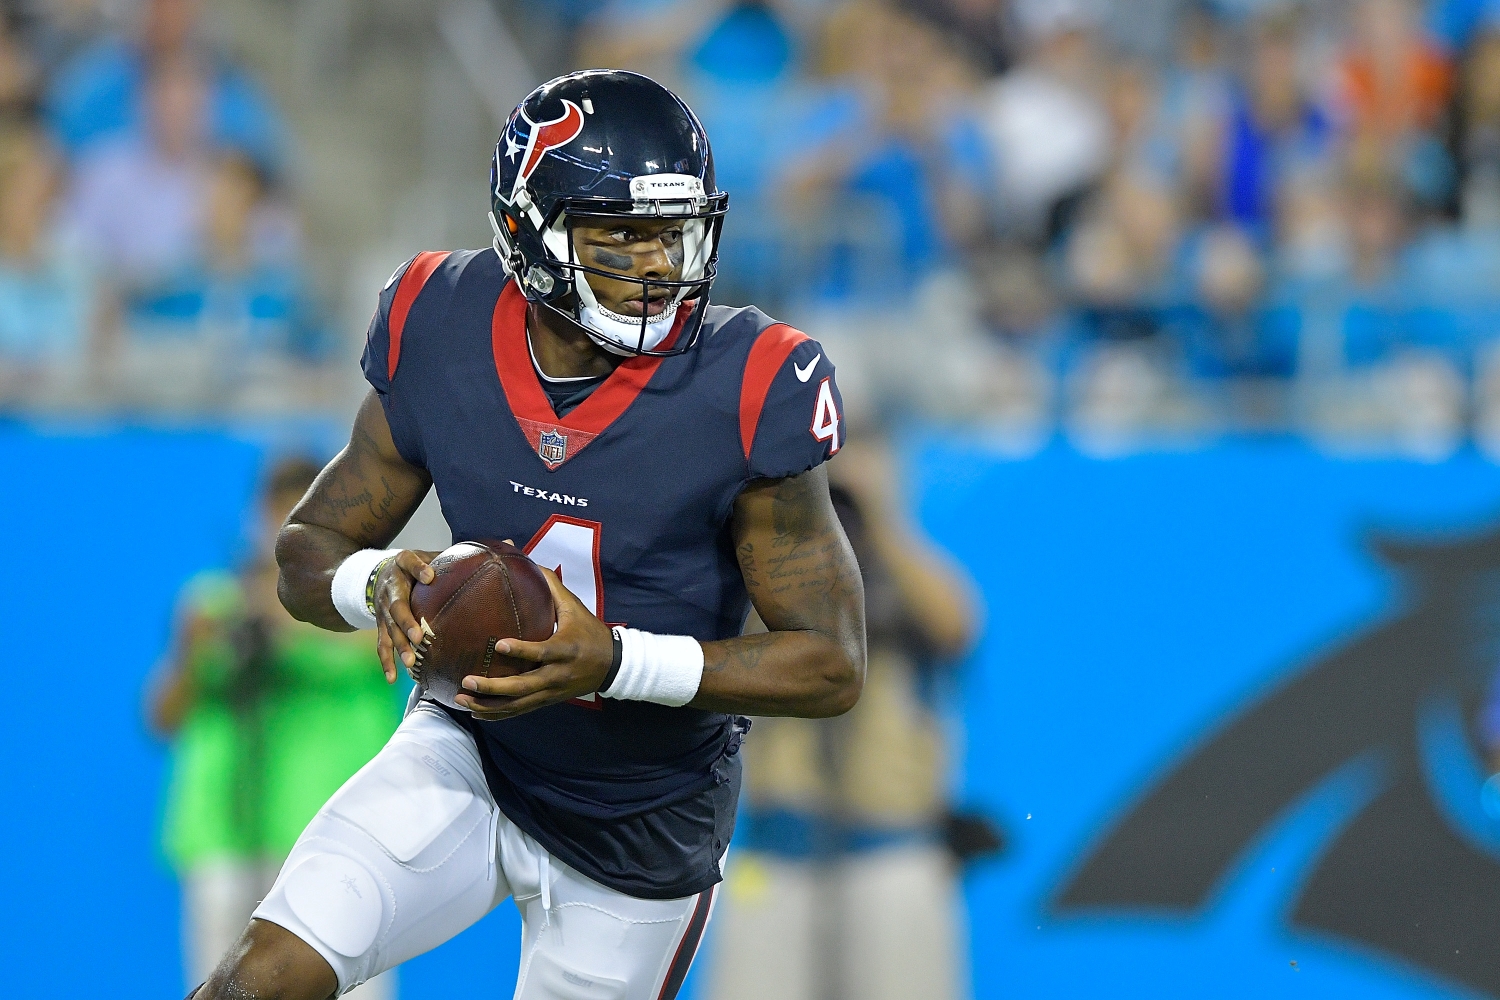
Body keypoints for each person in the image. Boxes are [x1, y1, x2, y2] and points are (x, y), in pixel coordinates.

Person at [193, 69, 865, 1000]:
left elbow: (833, 664)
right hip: (470, 747)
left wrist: (616, 660)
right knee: (255, 983)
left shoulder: (750, 381)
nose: (656, 267)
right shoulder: (440, 320)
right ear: (529, 231)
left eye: (669, 236)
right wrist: (376, 579)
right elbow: (304, 554)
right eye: (617, 237)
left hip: (644, 818)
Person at [709, 434, 985, 1000]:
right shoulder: (774, 570)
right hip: (778, 850)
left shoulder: (911, 571)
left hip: (892, 847)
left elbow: (957, 629)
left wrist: (881, 518)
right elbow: (725, 636)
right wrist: (792, 520)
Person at [147, 457, 404, 998]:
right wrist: (190, 649)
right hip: (223, 830)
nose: (284, 527)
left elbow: (380, 657)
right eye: (275, 511)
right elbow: (162, 718)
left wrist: (279, 621)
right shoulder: (213, 602)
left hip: (336, 837)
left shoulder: (367, 604)